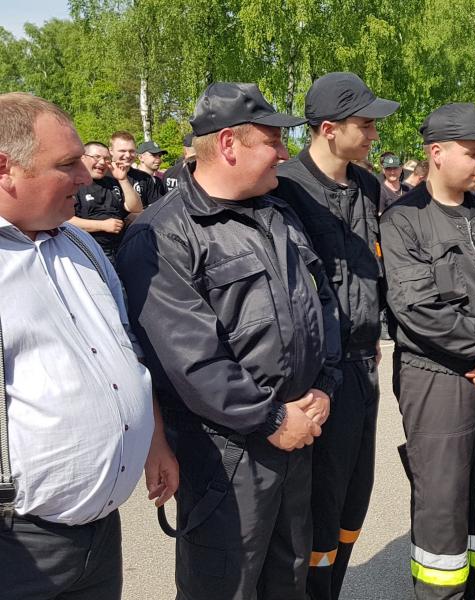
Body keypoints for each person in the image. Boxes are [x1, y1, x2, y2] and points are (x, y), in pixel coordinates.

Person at [116, 82, 341, 600]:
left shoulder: (277, 215)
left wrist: (324, 386)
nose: (285, 155)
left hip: (297, 435)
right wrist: (271, 418)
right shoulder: (164, 234)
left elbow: (323, 303)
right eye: (273, 142)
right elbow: (190, 359)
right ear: (228, 145)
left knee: (287, 582)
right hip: (227, 456)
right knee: (224, 587)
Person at [0, 91, 178, 600]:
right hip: (21, 550)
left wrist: (154, 438)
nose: (85, 175)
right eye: (66, 164)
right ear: (4, 169)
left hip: (101, 538)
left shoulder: (78, 243)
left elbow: (125, 352)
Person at [381, 102, 475, 600]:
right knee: (442, 500)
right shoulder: (404, 220)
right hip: (436, 376)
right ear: (437, 153)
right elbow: (414, 307)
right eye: (473, 153)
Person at [272, 72, 397, 600]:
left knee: (351, 501)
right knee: (313, 508)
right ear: (328, 128)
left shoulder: (369, 187)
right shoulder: (285, 191)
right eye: (365, 125)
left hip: (364, 367)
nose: (374, 135)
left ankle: (333, 590)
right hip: (316, 378)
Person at [69, 140, 141, 263]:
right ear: (83, 158)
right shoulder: (73, 184)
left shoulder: (114, 182)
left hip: (120, 248)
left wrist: (123, 180)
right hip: (88, 250)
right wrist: (102, 225)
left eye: (106, 159)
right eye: (97, 157)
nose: (102, 162)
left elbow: (136, 208)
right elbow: (66, 220)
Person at [109, 131, 162, 208]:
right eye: (122, 151)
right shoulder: (102, 176)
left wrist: (139, 215)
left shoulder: (145, 178)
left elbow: (156, 209)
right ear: (111, 151)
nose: (128, 155)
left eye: (131, 151)